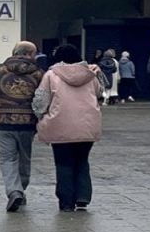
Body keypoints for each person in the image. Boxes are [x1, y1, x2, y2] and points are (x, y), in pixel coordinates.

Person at [33, 44, 103, 212]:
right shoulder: (91, 75)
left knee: (63, 163)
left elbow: (41, 100)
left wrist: (39, 116)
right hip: (87, 125)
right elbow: (100, 94)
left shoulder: (51, 75)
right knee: (82, 161)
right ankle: (83, 197)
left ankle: (66, 201)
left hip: (59, 125)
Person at [0, 41, 44, 212]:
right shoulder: (39, 73)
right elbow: (42, 97)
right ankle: (21, 188)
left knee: (7, 158)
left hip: (4, 121)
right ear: (31, 54)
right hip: (28, 122)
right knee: (25, 157)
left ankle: (13, 190)